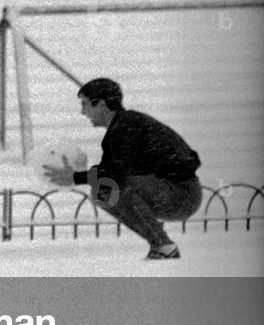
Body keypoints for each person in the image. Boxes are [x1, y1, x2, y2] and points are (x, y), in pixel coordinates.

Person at [43, 78, 202, 260]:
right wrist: (77, 175)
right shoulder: (122, 127)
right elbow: (109, 171)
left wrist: (74, 177)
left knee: (115, 187)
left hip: (182, 195)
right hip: (170, 191)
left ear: (101, 104)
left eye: (85, 104)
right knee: (103, 191)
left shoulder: (128, 125)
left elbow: (114, 174)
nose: (83, 112)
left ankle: (163, 245)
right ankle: (159, 242)